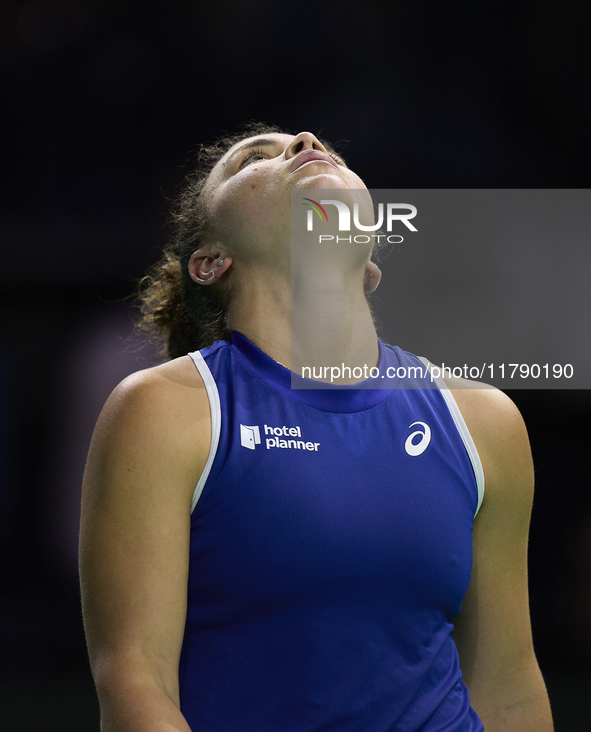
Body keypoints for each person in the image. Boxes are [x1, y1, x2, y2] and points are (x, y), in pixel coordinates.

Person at [79, 125, 554, 732]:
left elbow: (510, 687)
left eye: (320, 149)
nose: (305, 141)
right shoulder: (164, 411)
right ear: (210, 261)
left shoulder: (483, 420)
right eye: (255, 159)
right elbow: (135, 685)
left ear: (369, 264)